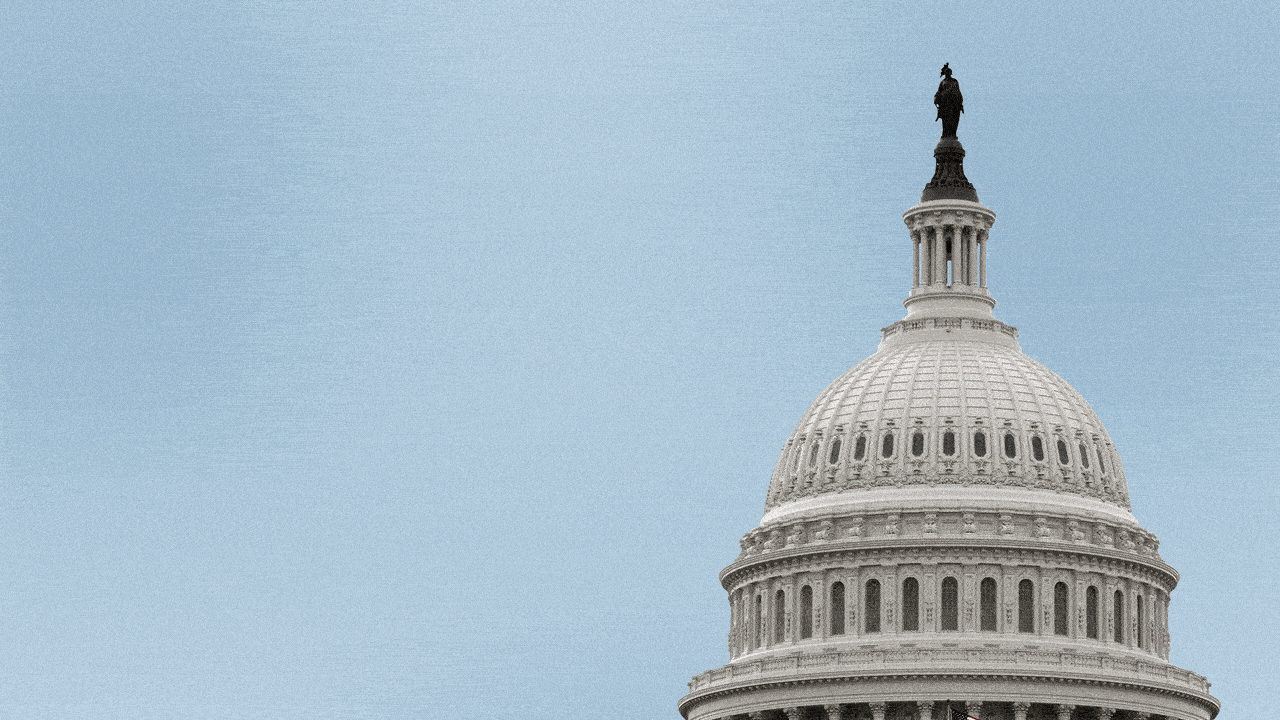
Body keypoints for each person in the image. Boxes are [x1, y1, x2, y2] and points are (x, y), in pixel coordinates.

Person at [935, 63, 964, 138]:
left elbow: (958, 91)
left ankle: (953, 134)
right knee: (946, 119)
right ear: (945, 73)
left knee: (954, 118)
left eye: (949, 72)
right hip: (945, 103)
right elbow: (939, 92)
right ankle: (945, 134)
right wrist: (936, 98)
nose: (947, 73)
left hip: (954, 103)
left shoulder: (955, 81)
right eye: (946, 72)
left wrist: (960, 102)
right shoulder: (942, 82)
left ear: (951, 73)